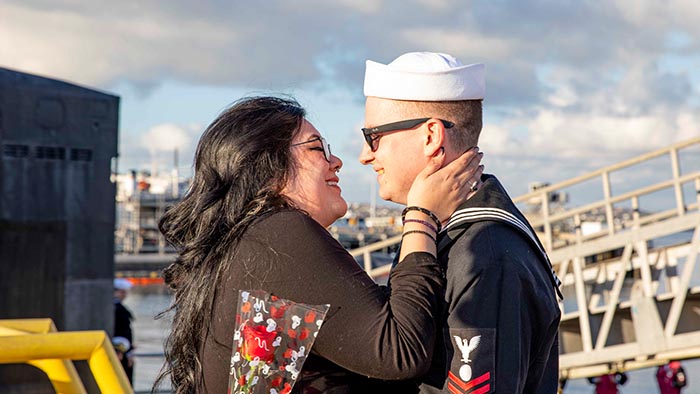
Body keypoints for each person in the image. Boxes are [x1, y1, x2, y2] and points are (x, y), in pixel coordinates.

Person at [153, 96, 484, 393]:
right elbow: (399, 353)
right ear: (268, 170)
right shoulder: (278, 233)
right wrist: (421, 216)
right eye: (317, 149)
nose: (336, 161)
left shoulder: (247, 244)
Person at [359, 52, 563, 393]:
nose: (366, 156)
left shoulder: (485, 255)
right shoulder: (452, 234)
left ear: (431, 137)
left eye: (373, 137)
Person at [113, 278, 135, 384]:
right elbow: (121, 331)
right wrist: (120, 350)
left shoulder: (115, 309)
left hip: (122, 351)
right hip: (120, 353)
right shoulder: (119, 310)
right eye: (122, 292)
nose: (124, 295)